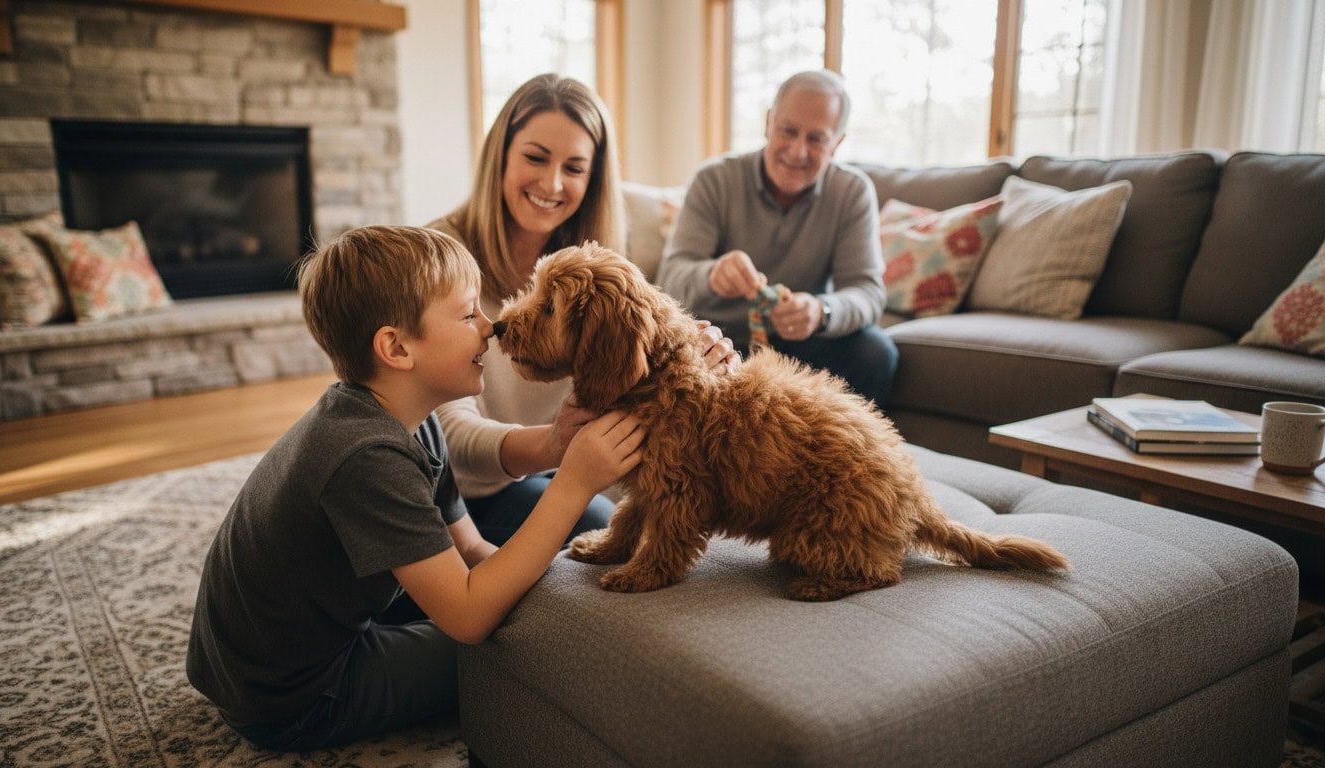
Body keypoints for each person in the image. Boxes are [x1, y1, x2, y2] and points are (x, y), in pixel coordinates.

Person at [186, 226, 644, 751]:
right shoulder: (367, 456)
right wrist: (574, 485)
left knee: (524, 607)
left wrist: (559, 453)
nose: (490, 327)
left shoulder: (410, 416)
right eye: (469, 312)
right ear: (396, 348)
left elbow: (469, 547)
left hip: (302, 633)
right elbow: (469, 616)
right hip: (293, 695)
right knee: (531, 646)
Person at [429, 73, 737, 546]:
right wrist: (554, 443)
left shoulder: (595, 266)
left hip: (569, 467)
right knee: (600, 521)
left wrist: (700, 357)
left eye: (574, 168)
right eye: (535, 157)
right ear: (500, 155)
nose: (551, 183)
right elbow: (443, 431)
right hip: (465, 498)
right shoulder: (440, 258)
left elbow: (631, 371)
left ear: (593, 177)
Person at [656, 69, 899, 405]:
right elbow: (670, 278)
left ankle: (838, 453)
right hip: (714, 338)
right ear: (768, 123)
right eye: (788, 131)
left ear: (837, 142)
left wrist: (821, 311)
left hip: (802, 345)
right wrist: (711, 276)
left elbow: (868, 293)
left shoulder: (852, 192)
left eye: (816, 139)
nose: (798, 152)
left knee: (875, 353)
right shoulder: (714, 180)